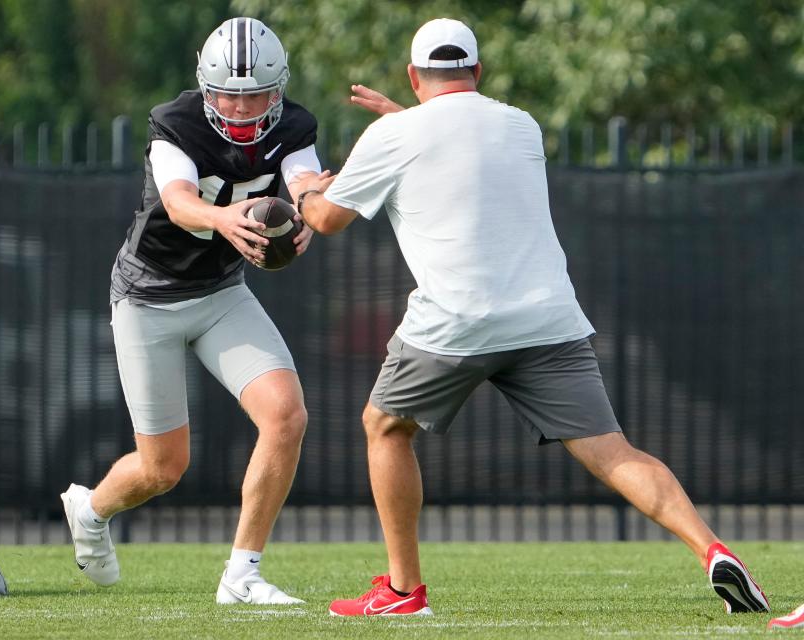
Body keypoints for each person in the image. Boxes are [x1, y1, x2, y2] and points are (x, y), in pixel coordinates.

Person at [298, 18, 770, 617]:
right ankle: (713, 550)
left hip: (455, 323)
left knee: (385, 427)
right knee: (613, 451)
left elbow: (326, 221)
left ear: (414, 75)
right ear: (478, 71)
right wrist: (403, 120)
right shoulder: (521, 125)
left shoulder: (395, 136)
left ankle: (401, 592)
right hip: (548, 318)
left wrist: (305, 189)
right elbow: (458, 143)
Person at [61, 17, 324, 605]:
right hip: (147, 297)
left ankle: (242, 574)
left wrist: (308, 210)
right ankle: (90, 507)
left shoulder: (297, 123)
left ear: (278, 88)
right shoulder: (172, 122)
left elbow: (304, 179)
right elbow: (179, 203)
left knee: (286, 415)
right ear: (204, 87)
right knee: (163, 468)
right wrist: (225, 219)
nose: (239, 106)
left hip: (221, 295)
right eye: (228, 93)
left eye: (255, 92)